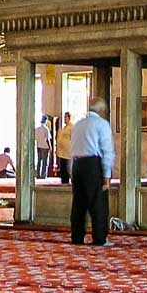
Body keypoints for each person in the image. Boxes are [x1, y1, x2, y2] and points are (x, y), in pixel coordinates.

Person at [69, 97, 114, 246]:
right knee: (98, 203)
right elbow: (107, 151)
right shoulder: (102, 124)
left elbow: (73, 149)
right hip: (93, 165)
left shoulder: (78, 125)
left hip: (77, 166)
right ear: (102, 111)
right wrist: (107, 175)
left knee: (78, 204)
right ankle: (99, 238)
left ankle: (77, 237)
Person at [56, 111, 73, 185]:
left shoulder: (72, 127)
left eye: (66, 117)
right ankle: (64, 181)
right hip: (62, 152)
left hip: (67, 152)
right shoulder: (64, 128)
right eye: (64, 117)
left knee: (67, 168)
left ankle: (67, 181)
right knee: (63, 169)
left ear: (69, 118)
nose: (65, 119)